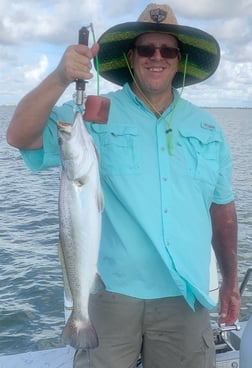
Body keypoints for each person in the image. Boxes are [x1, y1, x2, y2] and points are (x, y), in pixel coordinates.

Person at [7, 3, 240, 368]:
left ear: (180, 60)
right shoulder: (91, 115)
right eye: (146, 49)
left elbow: (222, 208)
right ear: (131, 57)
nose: (156, 57)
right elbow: (20, 135)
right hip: (111, 292)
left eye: (168, 50)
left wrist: (229, 281)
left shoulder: (208, 128)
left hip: (185, 295)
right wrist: (59, 78)